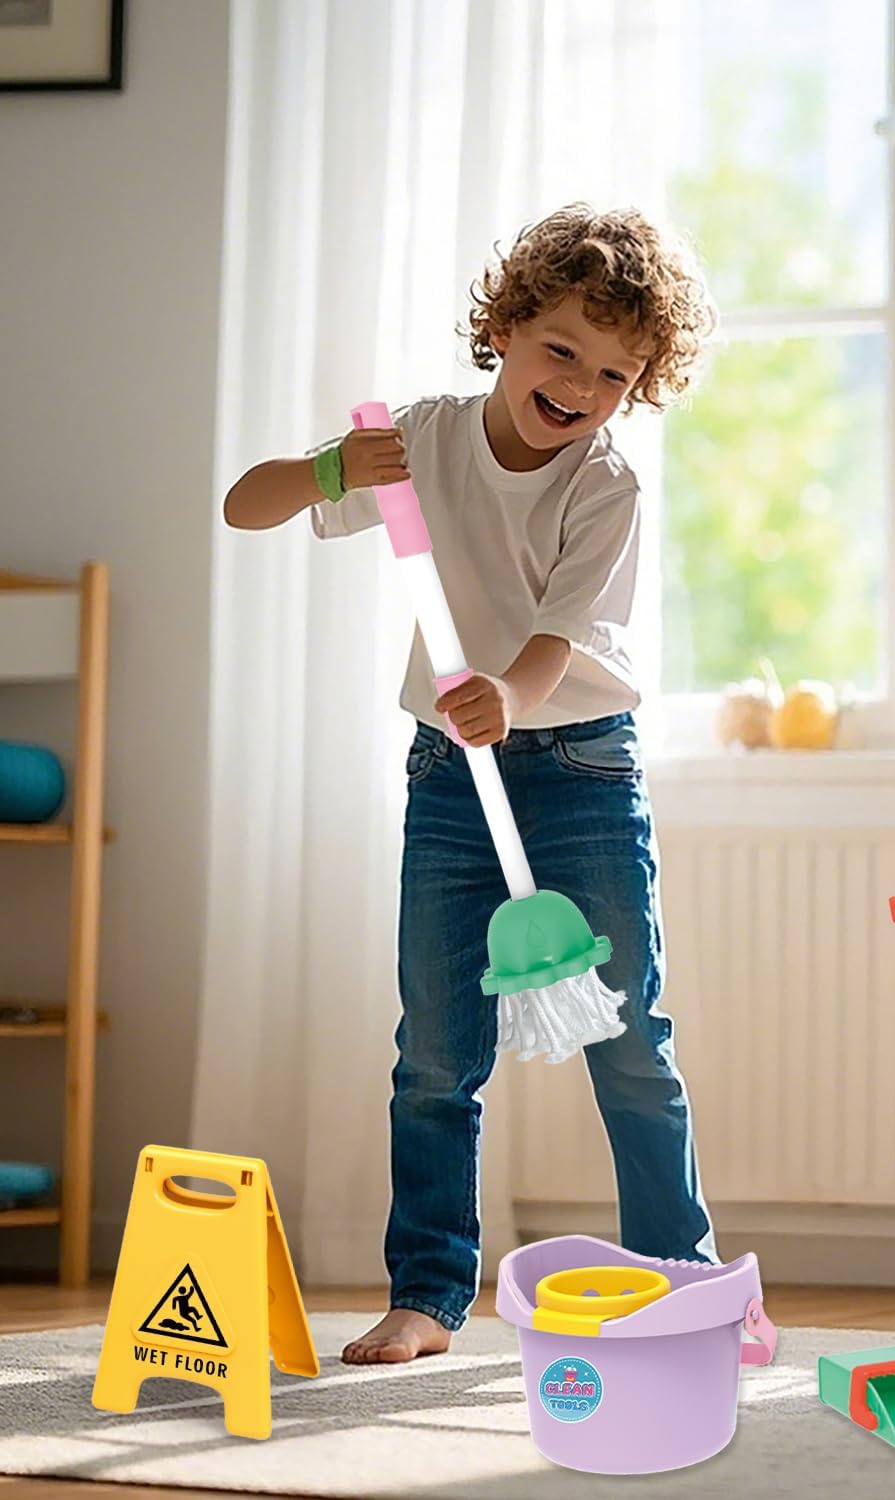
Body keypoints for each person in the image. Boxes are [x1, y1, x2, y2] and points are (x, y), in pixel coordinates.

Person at [224, 204, 720, 1363]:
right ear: (503, 328)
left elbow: (558, 639)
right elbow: (247, 506)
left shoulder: (607, 486)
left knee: (629, 1040)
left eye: (614, 374)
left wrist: (507, 688)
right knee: (437, 1055)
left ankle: (681, 1277)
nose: (581, 387)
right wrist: (327, 469)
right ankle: (429, 1293)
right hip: (451, 776)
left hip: (582, 768)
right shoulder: (421, 442)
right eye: (562, 350)